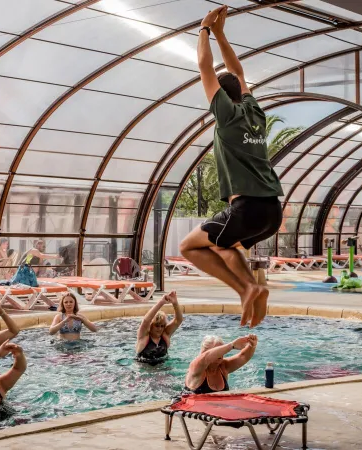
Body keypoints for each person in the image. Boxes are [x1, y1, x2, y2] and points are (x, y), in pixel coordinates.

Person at [179, 6, 283, 328]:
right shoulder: (255, 111)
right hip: (271, 212)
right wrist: (223, 35)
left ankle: (248, 288)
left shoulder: (226, 115)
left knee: (188, 247)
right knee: (225, 245)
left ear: (221, 97)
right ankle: (248, 289)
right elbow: (238, 72)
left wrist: (204, 29)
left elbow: (203, 65)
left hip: (246, 207)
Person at [184, 334, 257, 394]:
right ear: (204, 352)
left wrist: (251, 345)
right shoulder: (196, 367)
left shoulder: (223, 366)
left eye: (222, 351)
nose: (221, 354)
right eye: (219, 351)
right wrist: (232, 345)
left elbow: (243, 357)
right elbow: (206, 357)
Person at [135, 291, 183, 364]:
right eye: (157, 325)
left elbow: (178, 320)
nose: (160, 329)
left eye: (162, 326)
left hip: (164, 371)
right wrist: (161, 302)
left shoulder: (165, 335)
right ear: (151, 325)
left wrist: (175, 303)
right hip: (145, 372)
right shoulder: (144, 337)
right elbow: (146, 321)